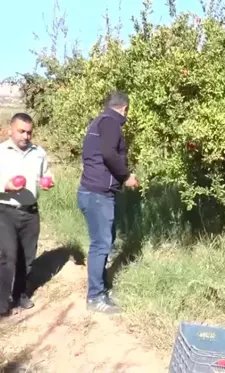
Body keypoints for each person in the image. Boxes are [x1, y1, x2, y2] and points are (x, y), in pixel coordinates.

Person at [78, 90, 139, 314]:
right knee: (101, 244)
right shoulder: (111, 122)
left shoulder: (100, 121)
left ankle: (101, 290)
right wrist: (126, 176)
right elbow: (109, 154)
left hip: (95, 193)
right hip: (97, 194)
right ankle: (94, 297)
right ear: (124, 108)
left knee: (104, 242)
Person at [0, 113, 54, 318]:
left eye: (29, 132)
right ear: (10, 130)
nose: (26, 136)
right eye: (21, 131)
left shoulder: (38, 152)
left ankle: (20, 294)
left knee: (28, 257)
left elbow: (47, 173)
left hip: (30, 211)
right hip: (5, 210)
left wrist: (48, 181)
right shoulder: (1, 151)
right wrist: (6, 185)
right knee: (8, 257)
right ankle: (2, 303)